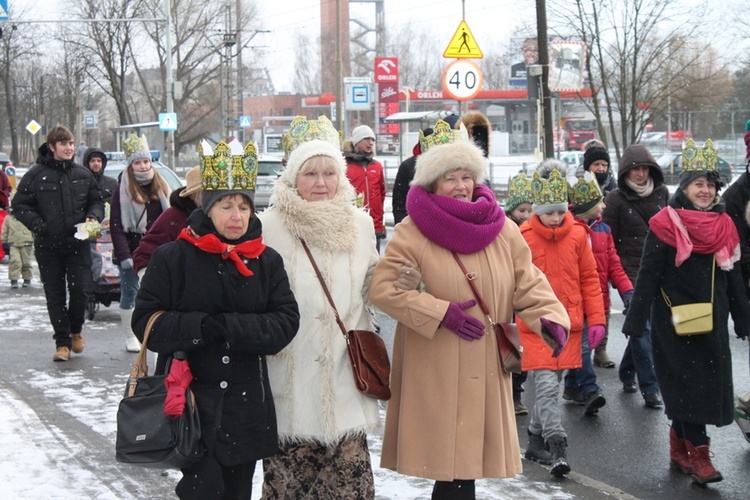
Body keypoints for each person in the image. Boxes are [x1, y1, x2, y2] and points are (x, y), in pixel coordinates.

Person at [369, 134, 570, 498]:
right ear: (433, 182)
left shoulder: (503, 228)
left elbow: (527, 281)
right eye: (450, 177)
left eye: (466, 176)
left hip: (484, 358)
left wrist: (549, 316)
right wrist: (439, 312)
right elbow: (383, 289)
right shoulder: (411, 232)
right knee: (449, 468)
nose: (461, 186)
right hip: (435, 362)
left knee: (466, 468)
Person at [132, 138, 300, 499]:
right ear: (207, 209)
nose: (236, 216)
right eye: (226, 206)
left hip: (246, 406)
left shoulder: (266, 260)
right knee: (200, 491)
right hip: (191, 403)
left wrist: (232, 328)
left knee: (238, 492)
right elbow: (146, 322)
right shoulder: (172, 258)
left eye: (243, 206)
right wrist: (201, 328)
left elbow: (285, 323)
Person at [258, 117, 382, 498]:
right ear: (294, 177)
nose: (320, 183)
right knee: (290, 487)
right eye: (310, 173)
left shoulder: (360, 225)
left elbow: (371, 287)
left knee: (349, 488)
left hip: (346, 374)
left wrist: (407, 282)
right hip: (289, 377)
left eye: (329, 173)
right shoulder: (267, 226)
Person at [622, 138, 749, 485]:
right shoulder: (665, 224)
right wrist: (635, 321)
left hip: (712, 322)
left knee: (702, 388)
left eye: (709, 184)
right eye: (698, 184)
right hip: (673, 321)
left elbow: (734, 274)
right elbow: (647, 274)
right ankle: (702, 458)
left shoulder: (724, 226)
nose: (705, 191)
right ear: (685, 187)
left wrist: (742, 317)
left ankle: (680, 447)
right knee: (687, 388)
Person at [519, 163, 606, 477]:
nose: (555, 218)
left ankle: (534, 438)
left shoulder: (579, 237)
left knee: (552, 387)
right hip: (536, 327)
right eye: (548, 212)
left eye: (559, 212)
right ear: (537, 210)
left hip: (569, 325)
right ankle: (558, 448)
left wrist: (597, 319)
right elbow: (514, 284)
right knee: (546, 389)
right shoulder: (523, 238)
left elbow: (589, 279)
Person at [11, 125, 104, 361]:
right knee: (55, 295)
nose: (69, 148)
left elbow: (97, 201)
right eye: (63, 144)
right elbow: (20, 205)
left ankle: (76, 330)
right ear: (52, 147)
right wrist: (39, 226)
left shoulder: (83, 174)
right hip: (48, 246)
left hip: (78, 244)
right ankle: (62, 343)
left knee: (81, 291)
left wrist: (94, 216)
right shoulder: (36, 174)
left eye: (71, 143)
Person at [602, 143, 666, 408]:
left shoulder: (662, 193)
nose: (640, 174)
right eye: (635, 169)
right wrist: (614, 274)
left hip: (658, 268)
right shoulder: (615, 199)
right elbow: (608, 239)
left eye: (644, 168)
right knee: (642, 330)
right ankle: (650, 387)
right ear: (626, 172)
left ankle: (627, 371)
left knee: (644, 326)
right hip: (629, 271)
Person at [563, 172, 632, 414]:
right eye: (599, 202)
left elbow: (614, 264)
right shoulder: (569, 232)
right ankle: (590, 390)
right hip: (575, 301)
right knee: (582, 347)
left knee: (585, 347)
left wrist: (627, 291)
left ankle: (572, 386)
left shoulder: (604, 230)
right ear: (587, 206)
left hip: (597, 298)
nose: (604, 205)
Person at [110, 133, 171, 352]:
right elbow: (116, 226)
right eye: (138, 162)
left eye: (146, 161)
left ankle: (153, 331)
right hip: (133, 250)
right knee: (131, 293)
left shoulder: (161, 185)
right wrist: (125, 256)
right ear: (131, 165)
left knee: (160, 294)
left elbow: (171, 217)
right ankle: (130, 335)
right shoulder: (122, 188)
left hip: (160, 250)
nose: (144, 166)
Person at [132, 165, 201, 276]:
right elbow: (144, 254)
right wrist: (152, 282)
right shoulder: (175, 216)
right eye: (205, 193)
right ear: (192, 195)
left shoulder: (225, 217)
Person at [504, 172, 535, 416]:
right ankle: (510, 394)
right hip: (506, 297)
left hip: (524, 296)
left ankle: (517, 391)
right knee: (509, 345)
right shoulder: (504, 231)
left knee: (523, 347)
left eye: (529, 210)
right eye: (521, 210)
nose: (525, 215)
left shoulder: (533, 231)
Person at [392, 115, 460, 225]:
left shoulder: (455, 164)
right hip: (417, 224)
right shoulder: (408, 166)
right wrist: (403, 225)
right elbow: (399, 199)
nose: (461, 186)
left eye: (466, 177)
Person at [344, 124, 386, 251]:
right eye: (366, 139)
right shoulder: (344, 165)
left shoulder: (377, 166)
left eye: (372, 139)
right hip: (353, 224)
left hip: (375, 224)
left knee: (375, 266)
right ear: (356, 141)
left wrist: (380, 221)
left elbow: (382, 194)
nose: (370, 142)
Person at [1, 206, 34, 288]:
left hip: (26, 241)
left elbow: (33, 228)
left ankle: (27, 278)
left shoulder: (27, 216)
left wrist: (36, 238)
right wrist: (4, 241)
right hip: (13, 242)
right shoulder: (9, 218)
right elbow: (5, 230)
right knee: (15, 261)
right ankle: (14, 279)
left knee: (26, 261)